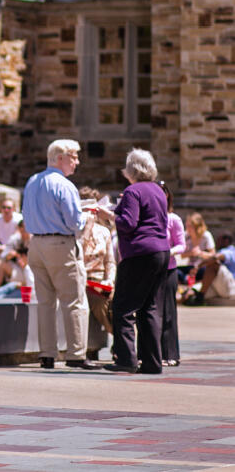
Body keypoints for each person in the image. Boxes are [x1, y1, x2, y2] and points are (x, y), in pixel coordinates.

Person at [22, 139, 96, 370]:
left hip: (36, 245)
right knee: (74, 300)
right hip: (60, 244)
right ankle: (75, 354)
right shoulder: (64, 185)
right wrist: (89, 217)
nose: (77, 161)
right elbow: (75, 222)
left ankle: (47, 354)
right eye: (73, 156)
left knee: (45, 302)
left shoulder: (32, 181)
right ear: (60, 158)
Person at [96, 148, 170, 374]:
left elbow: (128, 223)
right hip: (161, 251)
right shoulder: (158, 190)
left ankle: (126, 359)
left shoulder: (132, 191)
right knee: (149, 308)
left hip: (139, 253)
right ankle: (152, 362)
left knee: (123, 307)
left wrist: (108, 214)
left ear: (131, 170)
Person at [79, 187, 116, 337]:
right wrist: (86, 230)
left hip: (101, 282)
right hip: (84, 281)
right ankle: (118, 337)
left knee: (120, 302)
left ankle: (124, 342)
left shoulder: (104, 232)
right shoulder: (74, 232)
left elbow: (110, 262)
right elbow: (77, 255)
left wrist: (110, 280)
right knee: (99, 303)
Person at [160, 183, 185, 364]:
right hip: (151, 270)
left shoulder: (173, 219)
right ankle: (151, 352)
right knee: (151, 313)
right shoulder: (148, 218)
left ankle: (170, 354)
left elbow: (181, 244)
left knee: (168, 312)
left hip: (168, 269)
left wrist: (170, 252)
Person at [183, 235, 235, 305]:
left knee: (213, 264)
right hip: (218, 286)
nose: (216, 242)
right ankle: (196, 296)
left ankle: (200, 297)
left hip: (230, 287)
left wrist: (198, 266)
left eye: (218, 240)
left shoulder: (230, 251)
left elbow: (215, 258)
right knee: (189, 293)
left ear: (226, 241)